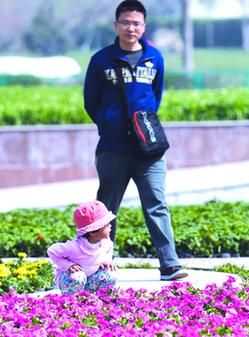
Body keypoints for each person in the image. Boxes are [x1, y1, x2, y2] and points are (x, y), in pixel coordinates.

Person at [83, 0, 188, 281]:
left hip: (148, 148)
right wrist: (110, 122)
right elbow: (91, 102)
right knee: (105, 211)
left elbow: (156, 96)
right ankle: (101, 264)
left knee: (157, 204)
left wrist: (140, 128)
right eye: (126, 22)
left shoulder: (155, 58)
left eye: (137, 23)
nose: (131, 28)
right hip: (113, 148)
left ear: (144, 26)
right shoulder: (100, 60)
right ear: (116, 25)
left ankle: (170, 264)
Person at [47, 200, 119, 295]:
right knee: (77, 276)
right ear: (93, 232)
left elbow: (109, 249)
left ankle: (100, 298)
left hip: (89, 280)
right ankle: (70, 300)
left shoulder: (106, 242)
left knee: (111, 272)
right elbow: (52, 251)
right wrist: (67, 265)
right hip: (71, 282)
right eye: (106, 224)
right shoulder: (74, 247)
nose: (110, 226)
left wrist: (107, 260)